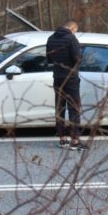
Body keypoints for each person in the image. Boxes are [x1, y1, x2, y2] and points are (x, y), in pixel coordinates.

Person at [46, 20, 88, 151]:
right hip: (70, 78)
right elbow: (78, 58)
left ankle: (62, 139)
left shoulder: (51, 38)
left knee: (60, 107)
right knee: (74, 108)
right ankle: (75, 141)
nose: (75, 32)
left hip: (57, 77)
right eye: (76, 30)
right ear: (72, 28)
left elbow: (49, 59)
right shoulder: (71, 38)